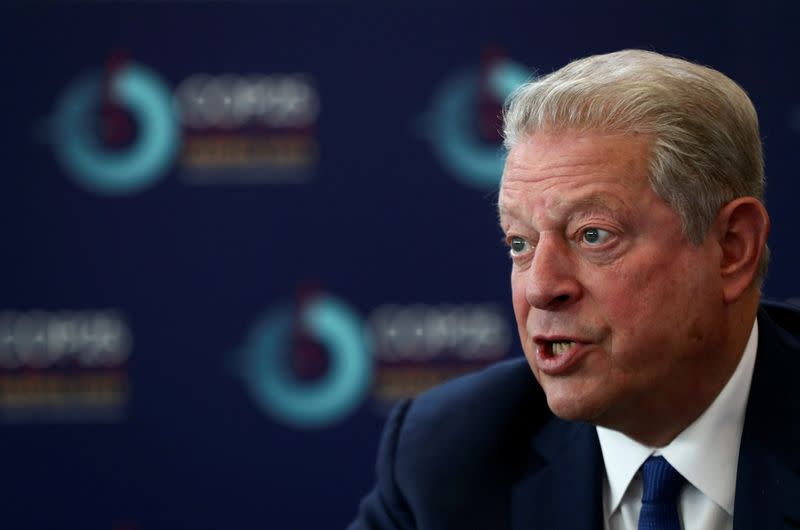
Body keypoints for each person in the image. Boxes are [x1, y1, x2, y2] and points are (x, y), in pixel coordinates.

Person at [348, 50, 800, 530]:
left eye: (593, 235)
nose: (541, 288)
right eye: (519, 243)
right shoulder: (449, 456)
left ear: (732, 248)